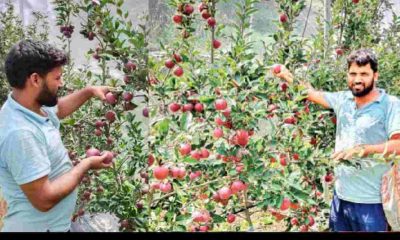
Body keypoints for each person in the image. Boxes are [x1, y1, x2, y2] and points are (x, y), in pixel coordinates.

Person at [272, 48, 400, 232]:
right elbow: (309, 92)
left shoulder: (391, 104)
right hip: (340, 198)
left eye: (364, 74)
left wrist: (366, 149)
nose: (357, 79)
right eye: (353, 73)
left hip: (372, 202)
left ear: (376, 75)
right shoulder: (343, 100)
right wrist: (286, 75)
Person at [0, 39, 113, 232]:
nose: (61, 83)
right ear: (35, 79)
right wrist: (85, 165)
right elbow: (44, 199)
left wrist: (88, 92)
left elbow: (57, 109)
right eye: (57, 78)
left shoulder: (26, 107)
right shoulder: (20, 134)